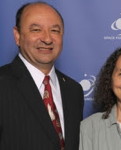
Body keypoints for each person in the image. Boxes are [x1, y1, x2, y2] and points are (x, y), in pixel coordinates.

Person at [0, 2, 84, 150]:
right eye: (36, 30)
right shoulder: (3, 84)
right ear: (17, 35)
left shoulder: (74, 90)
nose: (47, 38)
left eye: (55, 30)